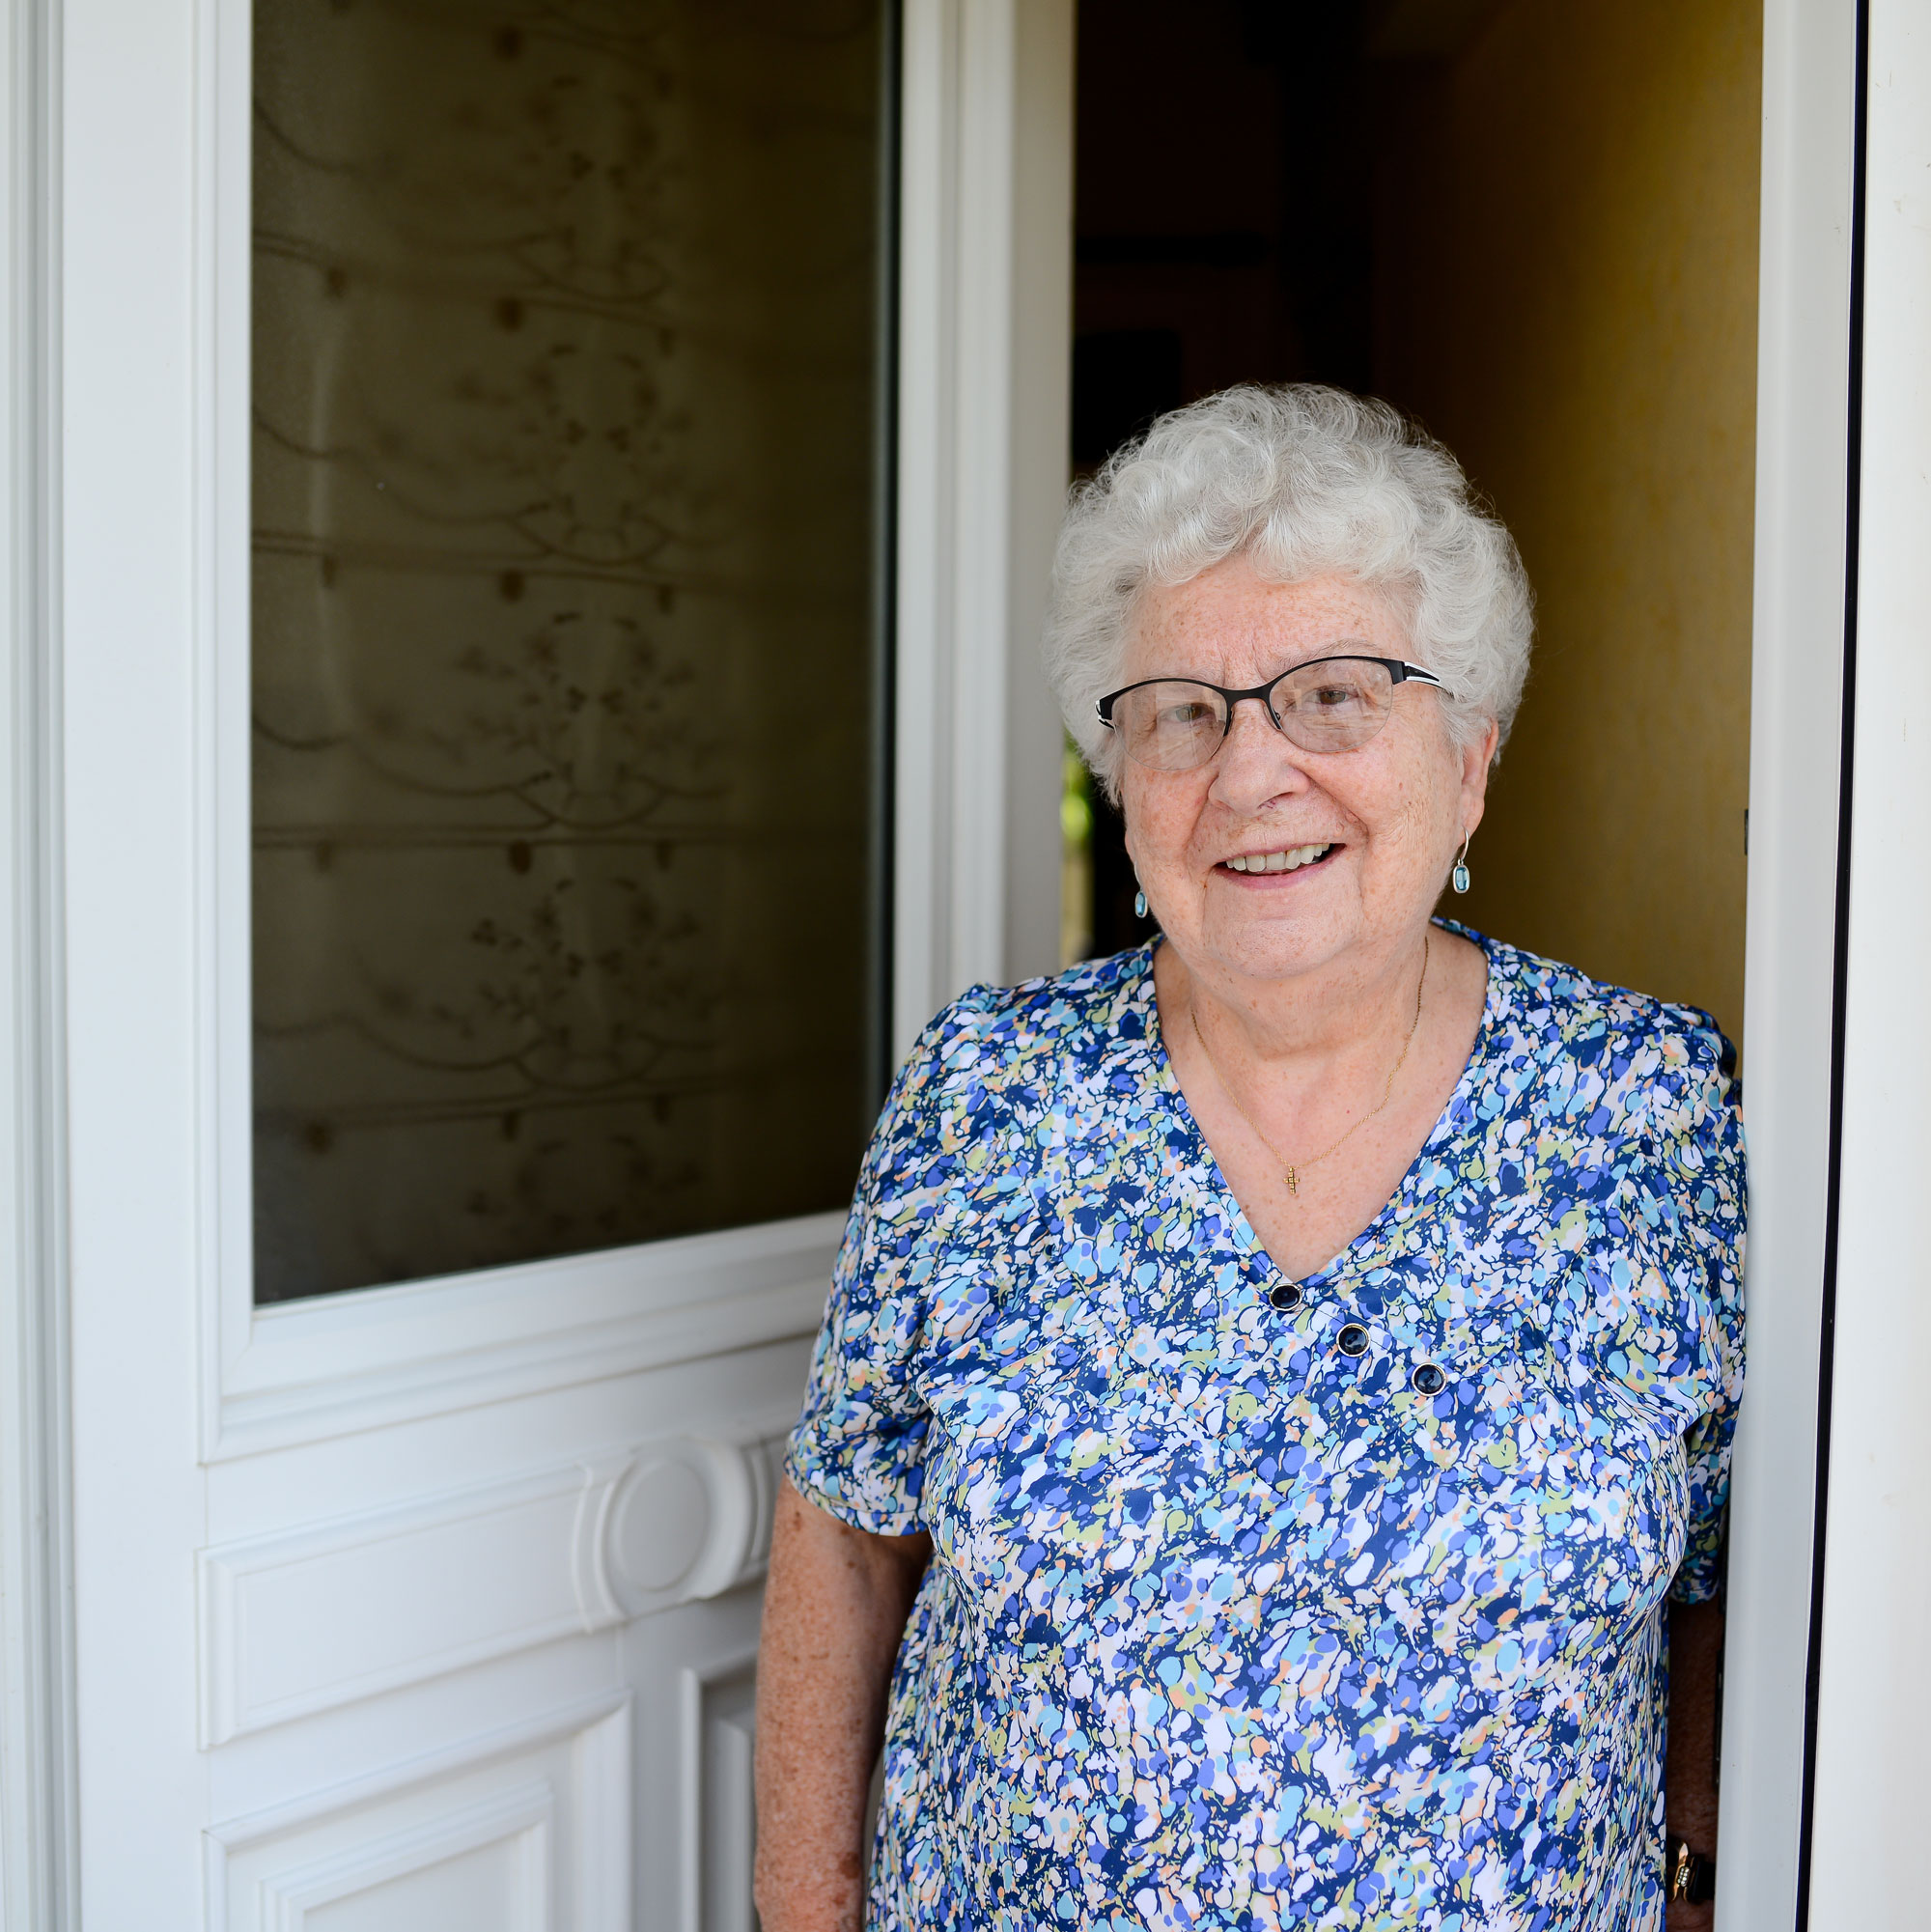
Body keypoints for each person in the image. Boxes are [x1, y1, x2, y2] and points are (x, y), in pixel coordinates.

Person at [754, 385, 1742, 1931]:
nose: (1254, 771)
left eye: (1337, 695)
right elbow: (848, 1537)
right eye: (1185, 712)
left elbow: (1734, 1577)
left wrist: (1693, 1878)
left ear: (1470, 762)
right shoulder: (983, 1096)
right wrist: (804, 1909)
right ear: (1124, 784)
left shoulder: (1654, 1109)